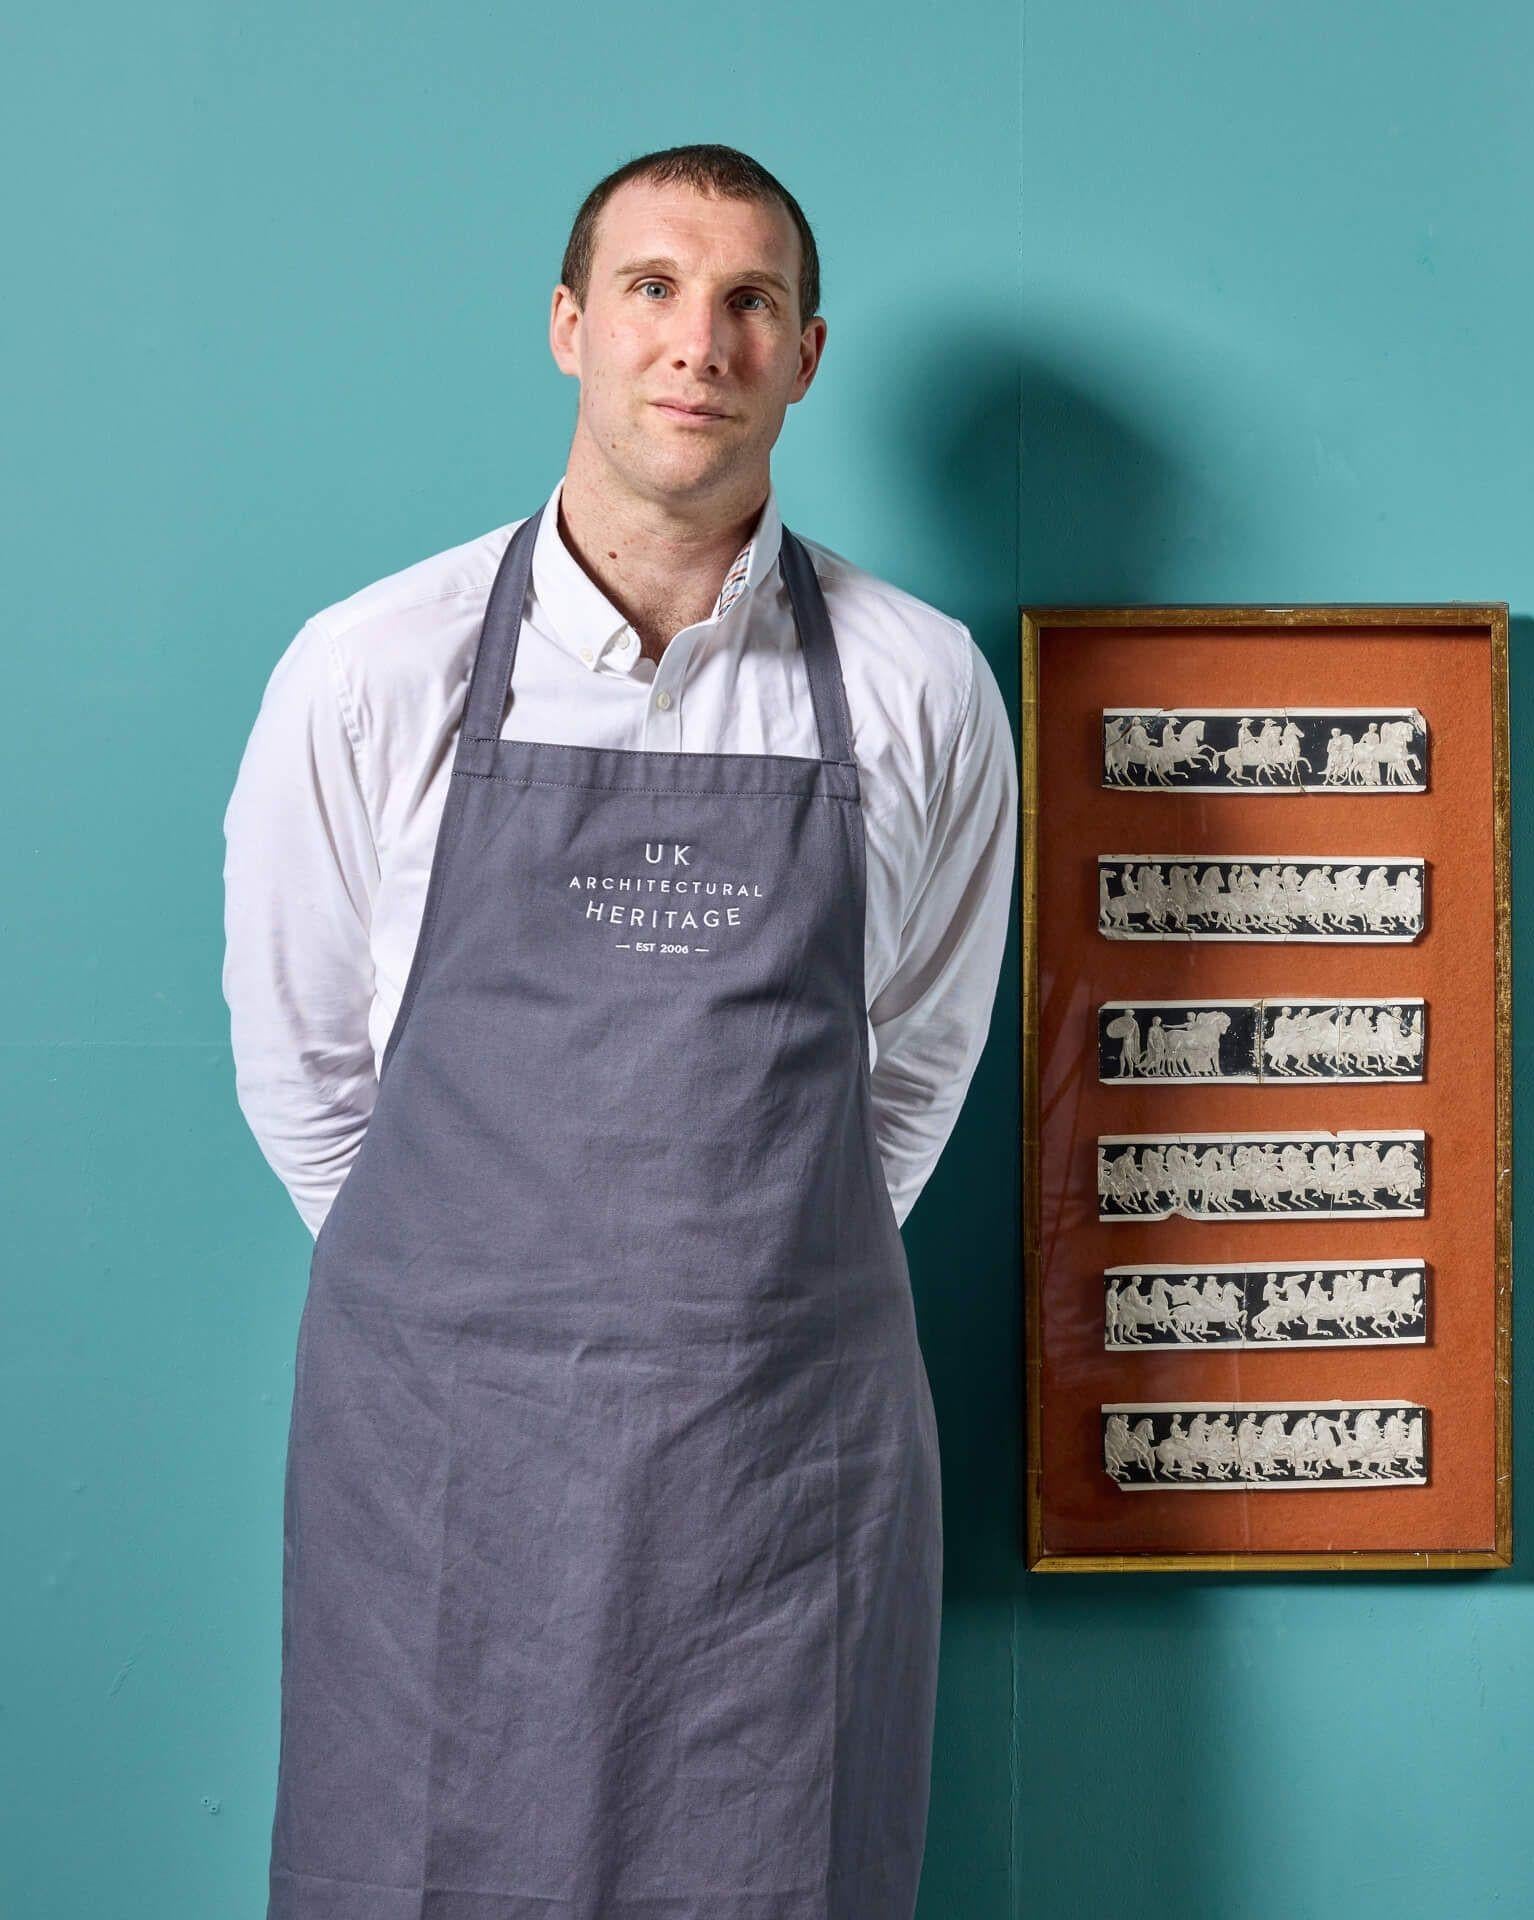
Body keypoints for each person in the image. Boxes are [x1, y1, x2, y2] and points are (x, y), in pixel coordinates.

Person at [220, 143, 1018, 1919]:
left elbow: (921, 1058)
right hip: (445, 1445)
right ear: (571, 327)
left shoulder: (918, 685)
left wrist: (747, 1288)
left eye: (748, 302)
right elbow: (303, 1070)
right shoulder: (374, 669)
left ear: (807, 356)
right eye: (652, 290)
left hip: (781, 1444)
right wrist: (463, 1295)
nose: (697, 341)